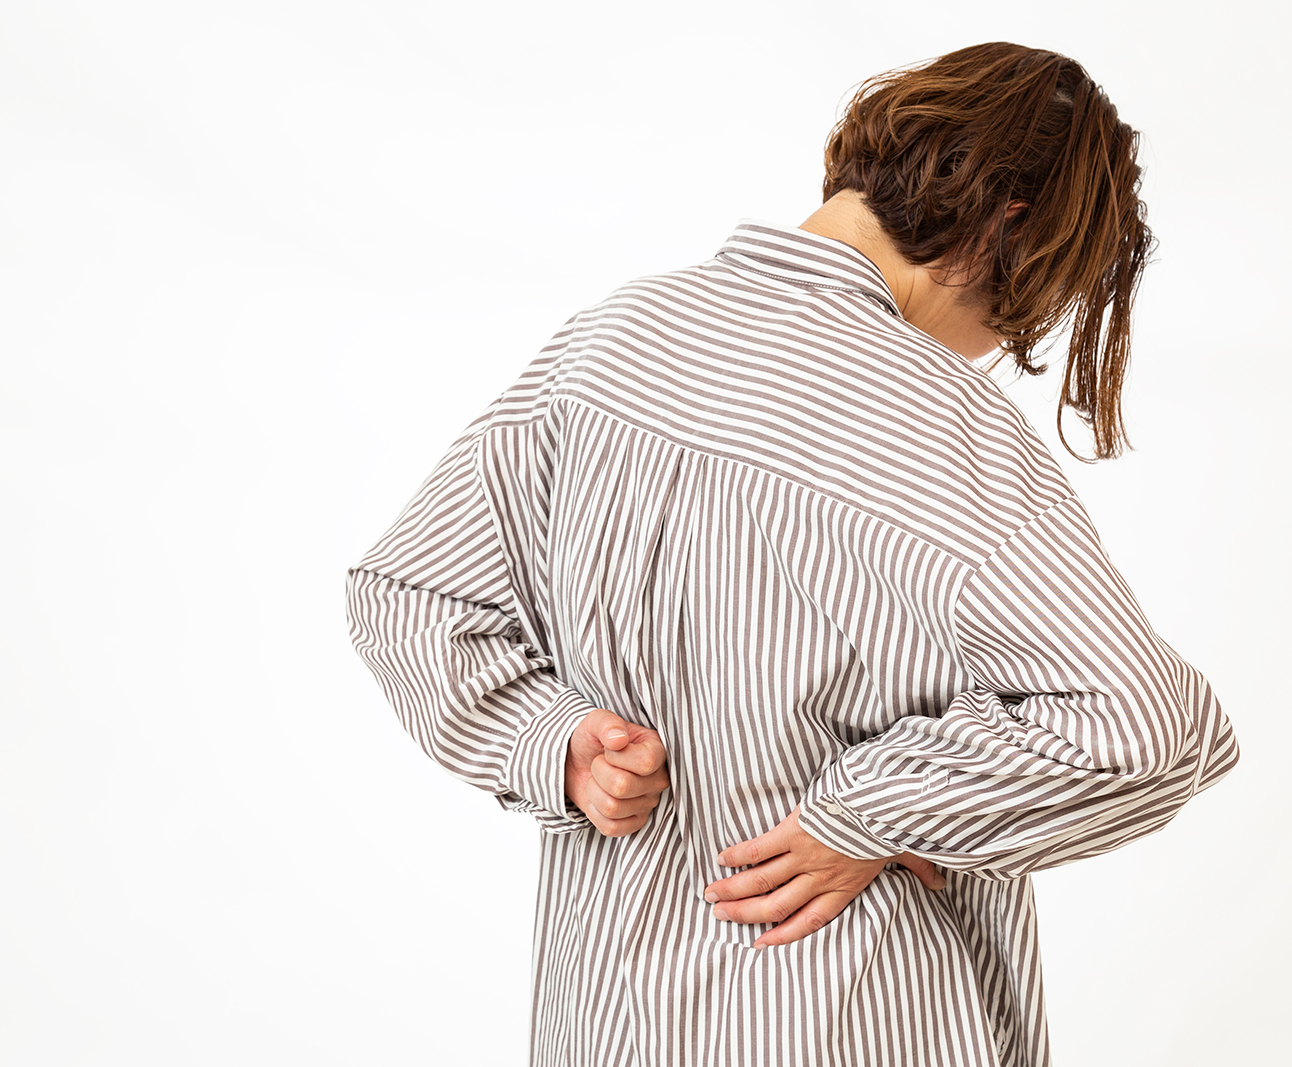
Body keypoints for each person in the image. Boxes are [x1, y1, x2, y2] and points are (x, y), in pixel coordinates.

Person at [346, 41, 1239, 1067]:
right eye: (1031, 296)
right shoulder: (941, 422)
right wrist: (870, 812)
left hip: (603, 1023)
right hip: (855, 1019)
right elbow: (1142, 726)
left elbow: (406, 593)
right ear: (1009, 226)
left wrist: (555, 742)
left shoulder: (615, 340)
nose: (998, 341)